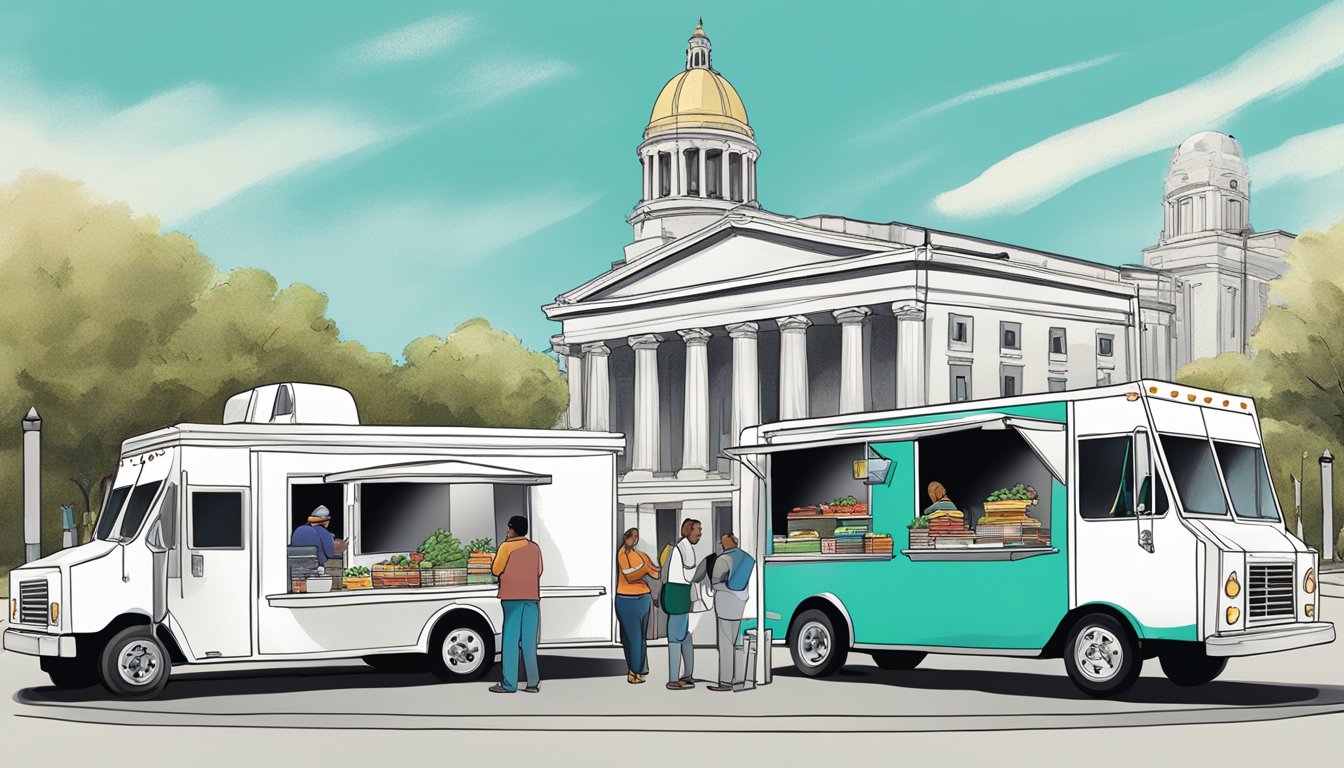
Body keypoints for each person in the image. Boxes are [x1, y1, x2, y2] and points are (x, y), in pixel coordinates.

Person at [490, 515, 543, 694]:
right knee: (529, 642)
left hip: (512, 598)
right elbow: (539, 570)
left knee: (511, 641)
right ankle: (533, 683)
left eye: (508, 528)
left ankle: (509, 684)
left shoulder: (506, 547)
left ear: (512, 529)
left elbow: (496, 569)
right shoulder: (534, 548)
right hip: (531, 599)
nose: (507, 531)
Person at [664, 518, 710, 690]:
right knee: (677, 638)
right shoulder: (686, 548)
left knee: (684, 637)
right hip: (679, 596)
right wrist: (704, 570)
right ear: (689, 530)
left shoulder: (680, 546)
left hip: (676, 595)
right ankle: (674, 679)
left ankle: (687, 675)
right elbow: (690, 576)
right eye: (698, 529)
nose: (700, 533)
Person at [707, 533, 754, 692]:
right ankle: (739, 680)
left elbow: (715, 582)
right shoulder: (746, 558)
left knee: (726, 644)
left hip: (725, 605)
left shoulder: (723, 559)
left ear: (725, 544)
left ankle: (725, 682)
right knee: (738, 643)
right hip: (741, 603)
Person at [615, 528, 659, 684]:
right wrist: (645, 569)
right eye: (631, 536)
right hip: (627, 599)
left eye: (636, 536)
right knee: (632, 638)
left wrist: (657, 568)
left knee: (640, 639)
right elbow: (630, 576)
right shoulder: (622, 554)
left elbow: (655, 572)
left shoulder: (641, 555)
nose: (633, 539)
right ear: (625, 537)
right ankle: (634, 671)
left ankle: (639, 670)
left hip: (643, 598)